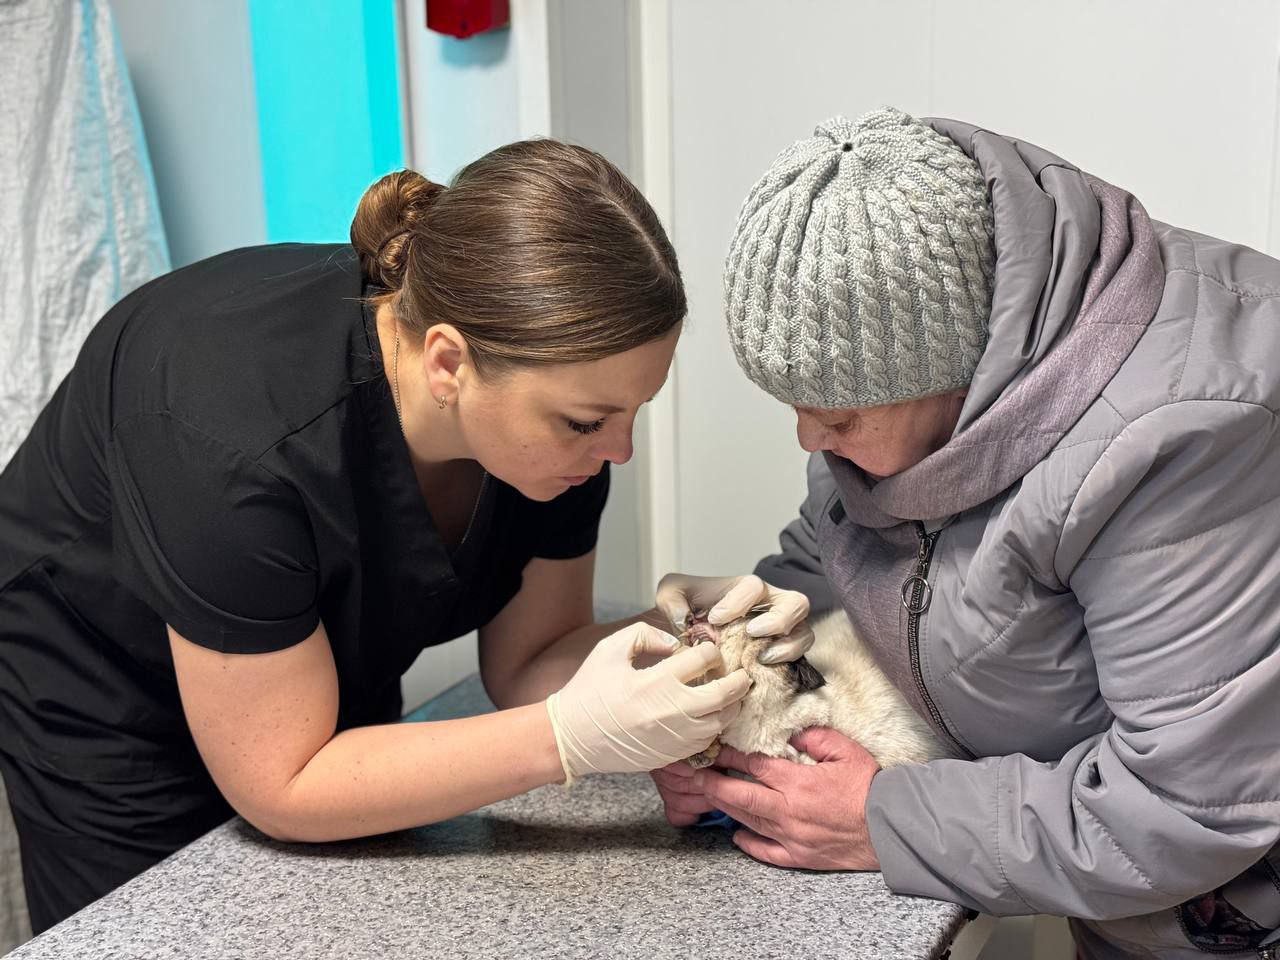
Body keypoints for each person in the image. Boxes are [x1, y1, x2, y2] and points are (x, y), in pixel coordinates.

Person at [0, 139, 776, 934]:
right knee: (160, 933)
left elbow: (530, 664)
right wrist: (568, 738)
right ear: (448, 363)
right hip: (108, 690)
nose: (620, 451)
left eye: (632, 412)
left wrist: (691, 638)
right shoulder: (235, 443)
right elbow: (285, 785)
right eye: (588, 421)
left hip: (307, 683)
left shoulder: (555, 442)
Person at [649, 108, 1280, 958]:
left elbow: (1187, 808)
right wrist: (719, 724)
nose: (808, 439)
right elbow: (841, 569)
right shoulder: (900, 413)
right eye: (796, 406)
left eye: (837, 415)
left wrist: (886, 822)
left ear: (965, 373)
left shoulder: (1191, 436)